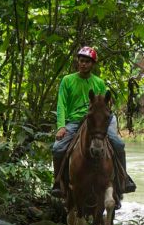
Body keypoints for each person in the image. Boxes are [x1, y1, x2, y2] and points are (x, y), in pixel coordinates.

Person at [51, 45, 136, 198]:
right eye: (81, 60)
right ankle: (58, 183)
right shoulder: (67, 80)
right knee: (58, 148)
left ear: (93, 64)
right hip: (75, 120)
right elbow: (61, 104)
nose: (83, 64)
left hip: (97, 120)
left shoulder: (99, 83)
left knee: (118, 143)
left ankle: (123, 179)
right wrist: (61, 126)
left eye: (87, 62)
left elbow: (104, 106)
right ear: (78, 61)